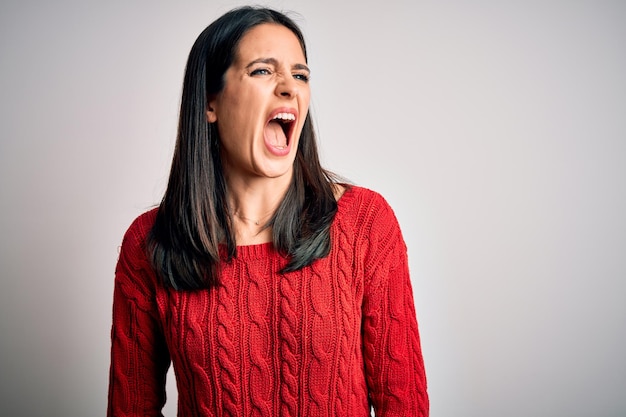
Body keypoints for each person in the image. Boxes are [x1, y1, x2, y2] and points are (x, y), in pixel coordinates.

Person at [108, 6, 428, 417]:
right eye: (263, 71)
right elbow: (130, 408)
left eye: (300, 75)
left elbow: (404, 404)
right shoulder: (147, 243)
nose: (288, 87)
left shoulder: (365, 223)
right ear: (211, 102)